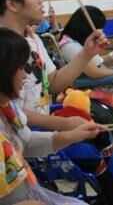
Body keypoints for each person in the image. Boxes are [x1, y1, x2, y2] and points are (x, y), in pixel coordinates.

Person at [0, 27, 106, 205]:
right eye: (20, 68)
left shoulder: (8, 107)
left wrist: (75, 134)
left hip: (30, 192)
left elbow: (25, 142)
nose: (26, 76)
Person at [0, 0, 107, 131]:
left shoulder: (33, 39)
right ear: (13, 4)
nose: (41, 0)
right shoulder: (3, 44)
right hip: (12, 140)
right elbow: (6, 109)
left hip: (36, 132)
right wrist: (60, 124)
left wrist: (86, 54)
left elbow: (54, 82)